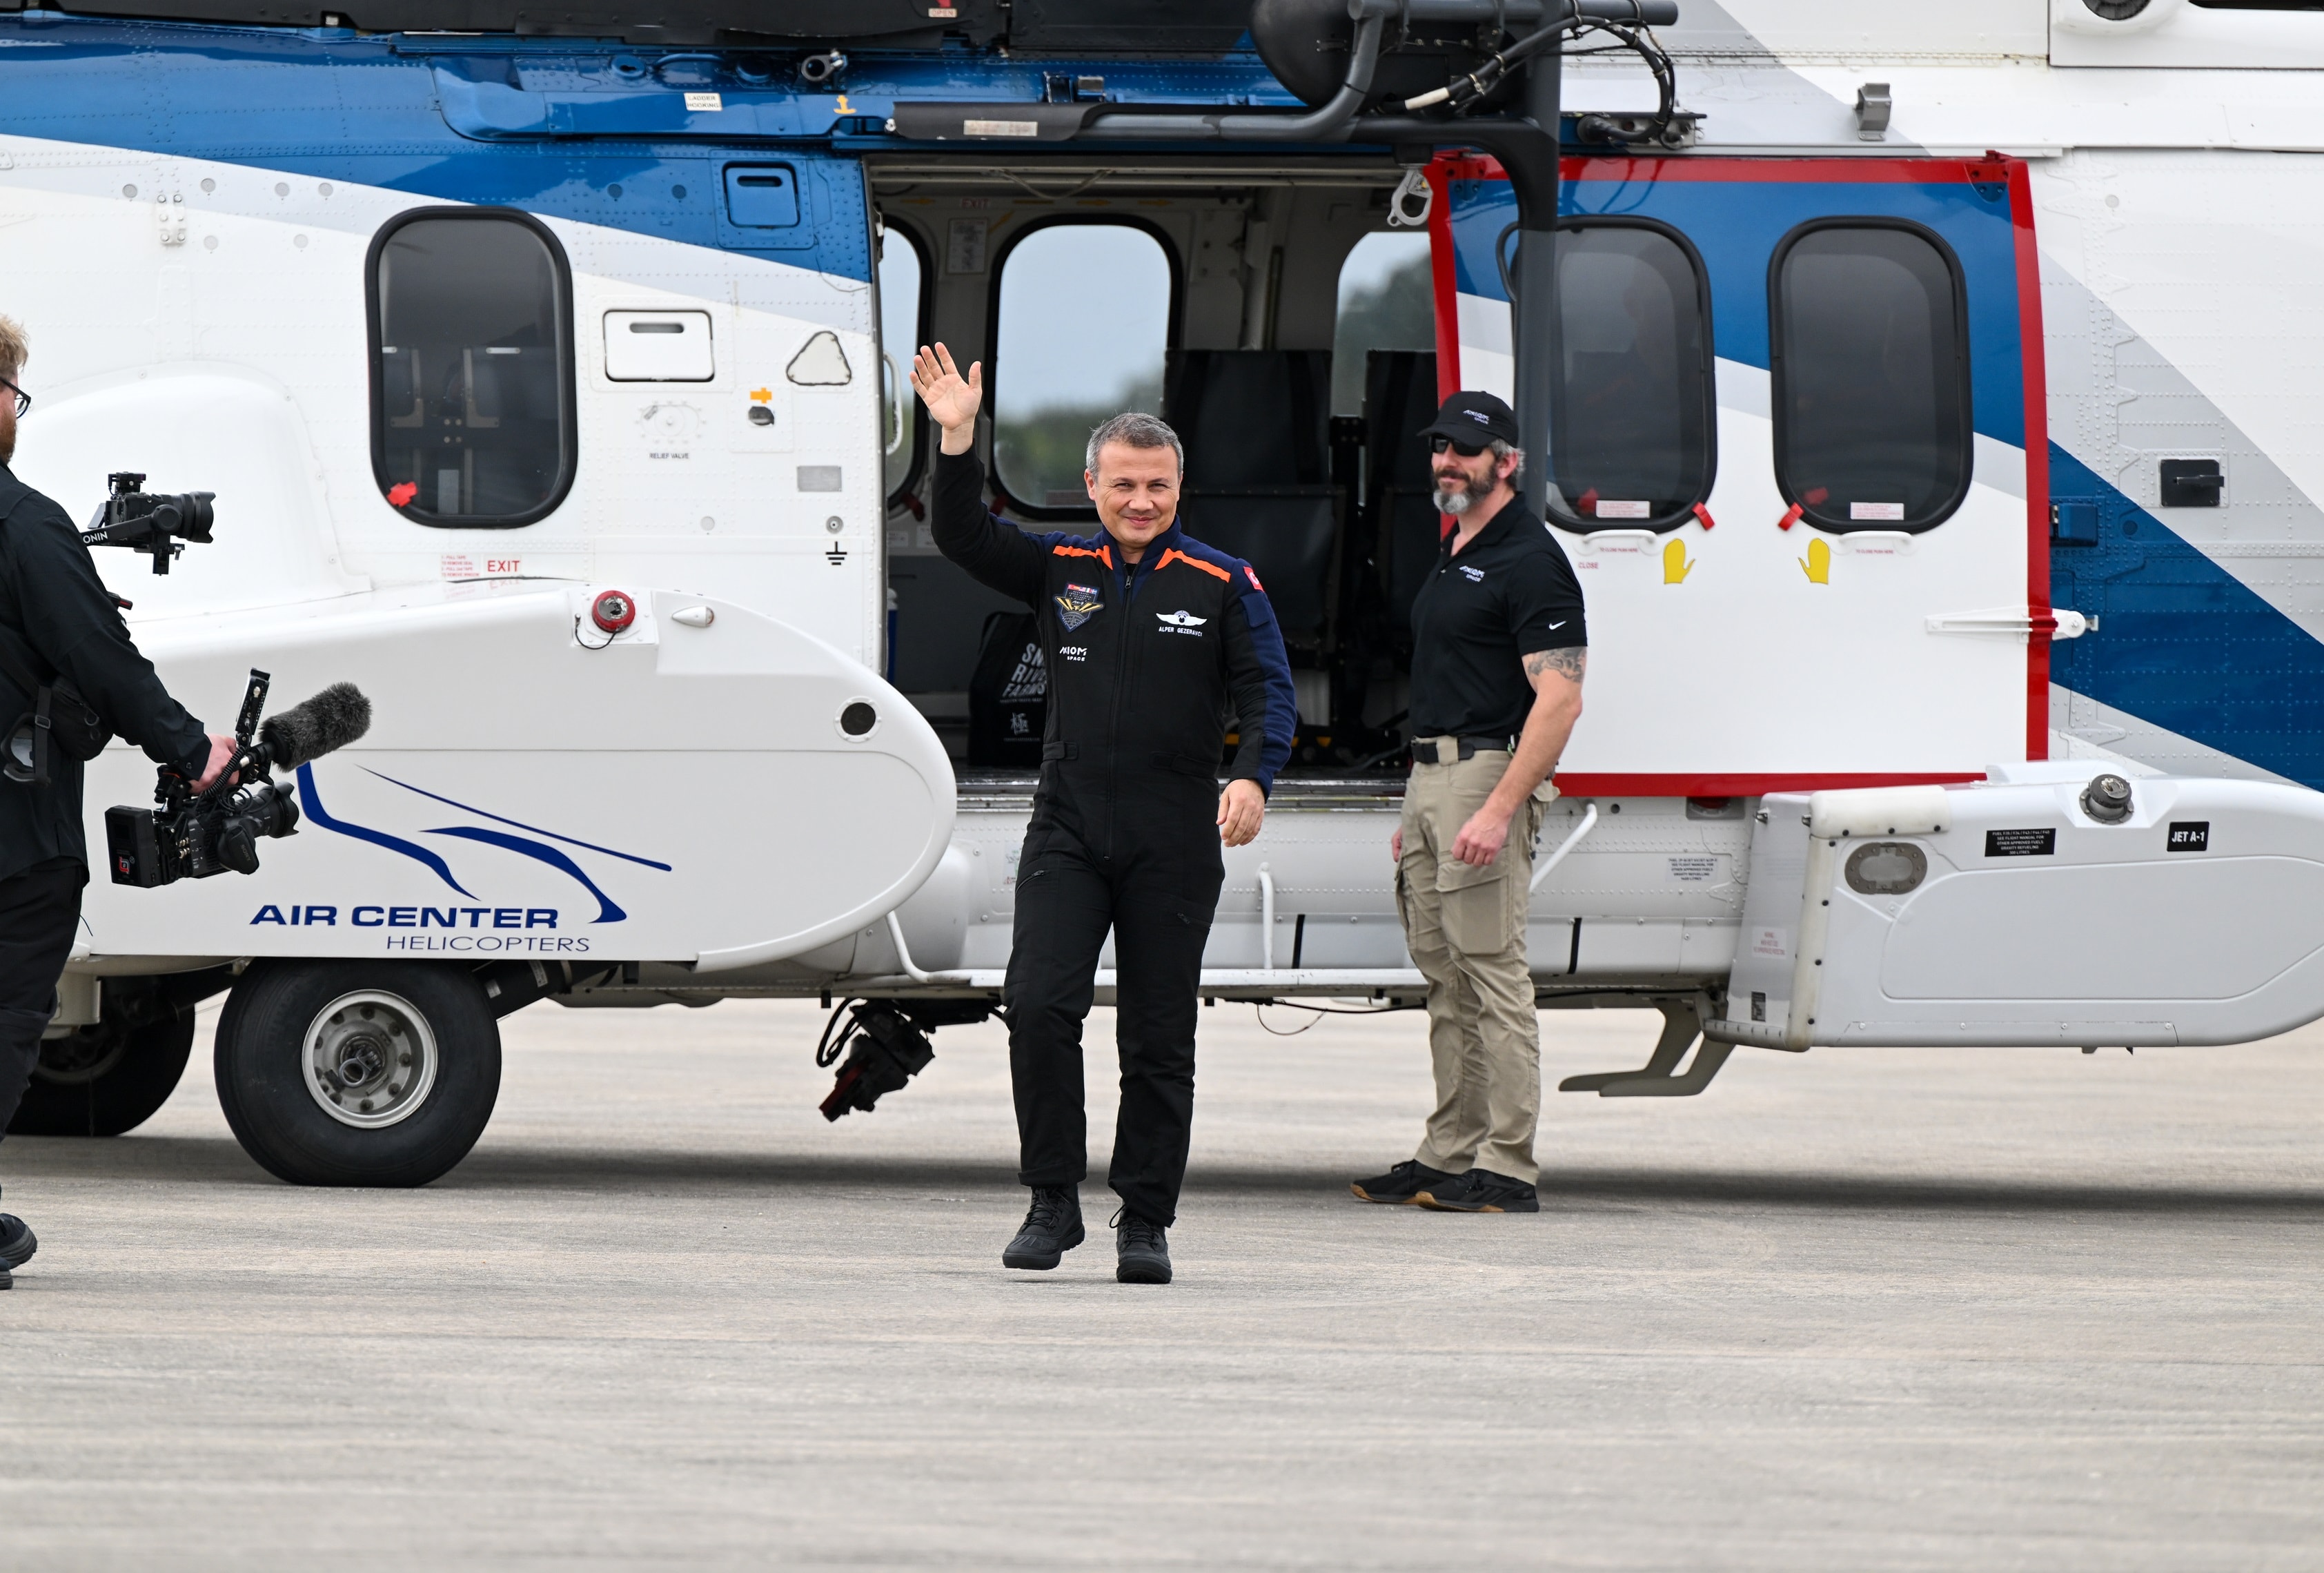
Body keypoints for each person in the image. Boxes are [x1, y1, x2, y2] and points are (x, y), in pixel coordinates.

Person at [912, 342, 1295, 1284]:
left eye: (1157, 486)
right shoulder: (1059, 567)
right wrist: (956, 439)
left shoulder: (1222, 581)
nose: (1140, 501)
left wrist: (1252, 776)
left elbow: (1270, 693)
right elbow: (962, 537)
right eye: (1123, 484)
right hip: (1071, 829)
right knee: (1039, 1005)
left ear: (1178, 488)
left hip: (1174, 834)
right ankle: (1052, 1201)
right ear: (1092, 485)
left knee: (1157, 1036)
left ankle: (1146, 1219)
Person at [0, 314, 237, 1287]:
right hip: (16, 834)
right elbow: (99, 660)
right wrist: (194, 749)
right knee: (8, 1018)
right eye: (14, 393)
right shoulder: (23, 521)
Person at [1352, 391, 1586, 1215]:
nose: (1447, 462)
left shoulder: (1530, 558)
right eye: (1440, 446)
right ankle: (1448, 1152)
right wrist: (1420, 803)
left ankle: (1508, 1164)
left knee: (1491, 976)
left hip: (1485, 778)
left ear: (1506, 463)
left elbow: (1558, 700)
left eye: (1466, 450)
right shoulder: (1459, 548)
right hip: (1433, 779)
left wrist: (1493, 809)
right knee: (1446, 980)